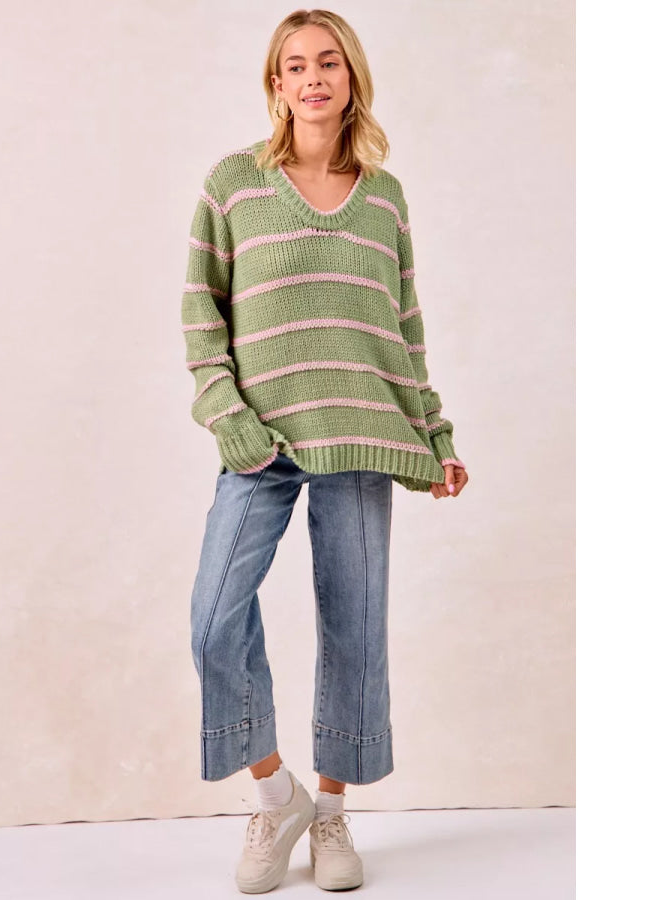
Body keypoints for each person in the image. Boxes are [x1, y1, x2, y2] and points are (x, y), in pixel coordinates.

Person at [182, 8, 468, 893]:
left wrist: (434, 433)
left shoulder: (384, 198)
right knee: (213, 618)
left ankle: (334, 812)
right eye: (296, 65)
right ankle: (279, 800)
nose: (313, 78)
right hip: (260, 443)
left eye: (329, 63)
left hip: (363, 432)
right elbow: (202, 315)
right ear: (277, 84)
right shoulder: (233, 184)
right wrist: (228, 416)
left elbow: (403, 326)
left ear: (352, 79)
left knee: (355, 628)